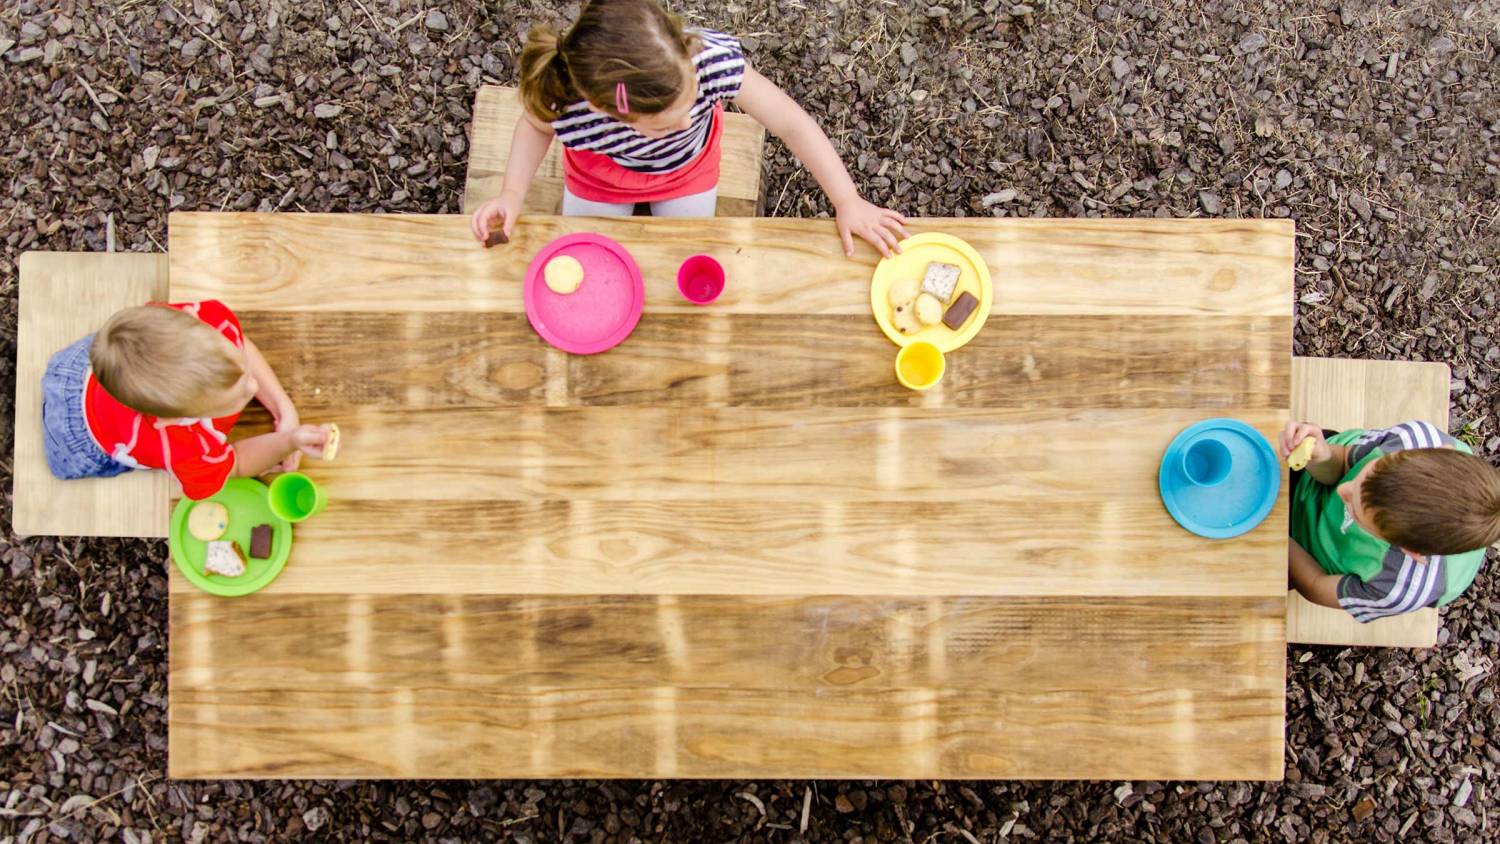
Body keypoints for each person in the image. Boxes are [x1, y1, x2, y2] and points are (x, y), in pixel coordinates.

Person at [468, 0, 908, 257]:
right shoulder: (566, 101)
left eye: (690, 104)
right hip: (598, 179)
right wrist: (511, 193)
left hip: (688, 171)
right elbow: (533, 129)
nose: (687, 121)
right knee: (591, 257)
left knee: (687, 250)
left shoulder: (707, 63)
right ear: (612, 111)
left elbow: (791, 122)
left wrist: (847, 199)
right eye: (666, 123)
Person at [41, 300, 331, 500]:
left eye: (242, 371)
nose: (253, 386)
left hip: (83, 366)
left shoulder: (203, 325)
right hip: (78, 440)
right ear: (174, 420)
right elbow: (236, 465)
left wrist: (284, 408)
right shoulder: (182, 446)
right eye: (234, 398)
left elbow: (239, 345)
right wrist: (288, 441)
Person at [1281, 419, 1500, 621]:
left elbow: (1315, 584)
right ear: (1438, 450)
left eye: (1355, 512)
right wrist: (1320, 456)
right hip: (1313, 474)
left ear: (1410, 551)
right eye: (1362, 476)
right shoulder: (1413, 441)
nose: (1343, 490)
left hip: (1303, 554)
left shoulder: (1398, 588)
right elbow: (1340, 464)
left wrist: (1277, 537)